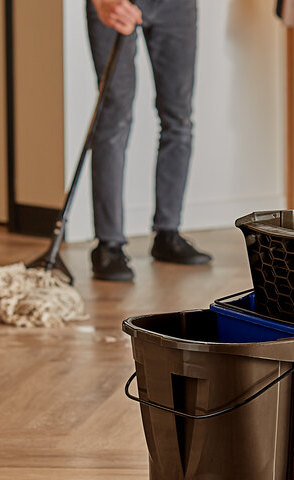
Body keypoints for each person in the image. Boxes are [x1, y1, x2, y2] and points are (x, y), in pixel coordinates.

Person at [88, 0, 211, 281]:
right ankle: (108, 245)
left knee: (178, 118)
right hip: (116, 3)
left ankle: (168, 234)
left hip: (175, 7)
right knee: (113, 117)